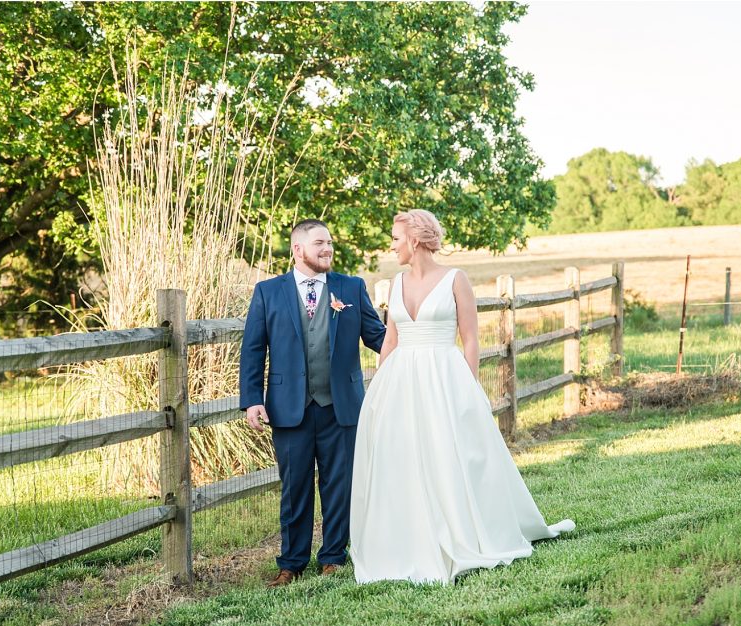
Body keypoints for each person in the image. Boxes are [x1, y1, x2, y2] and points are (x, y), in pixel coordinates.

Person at [350, 209, 575, 585]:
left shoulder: (456, 279)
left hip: (444, 376)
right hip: (401, 381)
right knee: (406, 457)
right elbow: (390, 340)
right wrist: (377, 391)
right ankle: (411, 540)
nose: (391, 245)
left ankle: (466, 531)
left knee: (450, 453)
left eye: (394, 238)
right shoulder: (395, 284)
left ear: (415, 240)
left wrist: (468, 388)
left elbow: (470, 338)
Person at [240, 219, 386, 588]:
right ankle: (291, 562)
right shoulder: (268, 292)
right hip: (289, 406)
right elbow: (254, 350)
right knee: (295, 488)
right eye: (320, 243)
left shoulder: (350, 287)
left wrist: (416, 348)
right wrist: (252, 400)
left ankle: (333, 557)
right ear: (298, 249)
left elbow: (377, 337)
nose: (328, 249)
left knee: (339, 485)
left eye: (330, 243)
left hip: (342, 405)